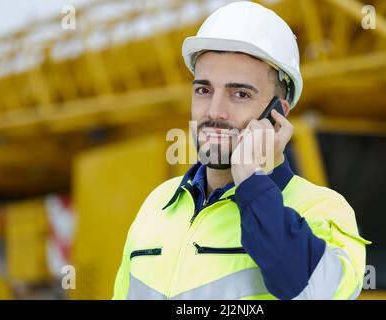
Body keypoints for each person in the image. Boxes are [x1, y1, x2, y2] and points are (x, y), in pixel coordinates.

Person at [113, 1, 370, 300]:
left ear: (278, 114)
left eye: (240, 94)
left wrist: (252, 180)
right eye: (204, 90)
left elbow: (315, 293)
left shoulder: (323, 210)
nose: (215, 111)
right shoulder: (157, 204)